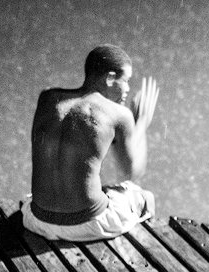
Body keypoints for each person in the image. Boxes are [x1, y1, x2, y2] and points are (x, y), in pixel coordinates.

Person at [19, 44, 159, 241]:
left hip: (36, 220)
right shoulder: (119, 114)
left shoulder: (48, 98)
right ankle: (149, 250)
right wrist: (142, 123)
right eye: (126, 80)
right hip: (87, 225)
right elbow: (132, 170)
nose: (127, 88)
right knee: (143, 197)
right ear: (110, 78)